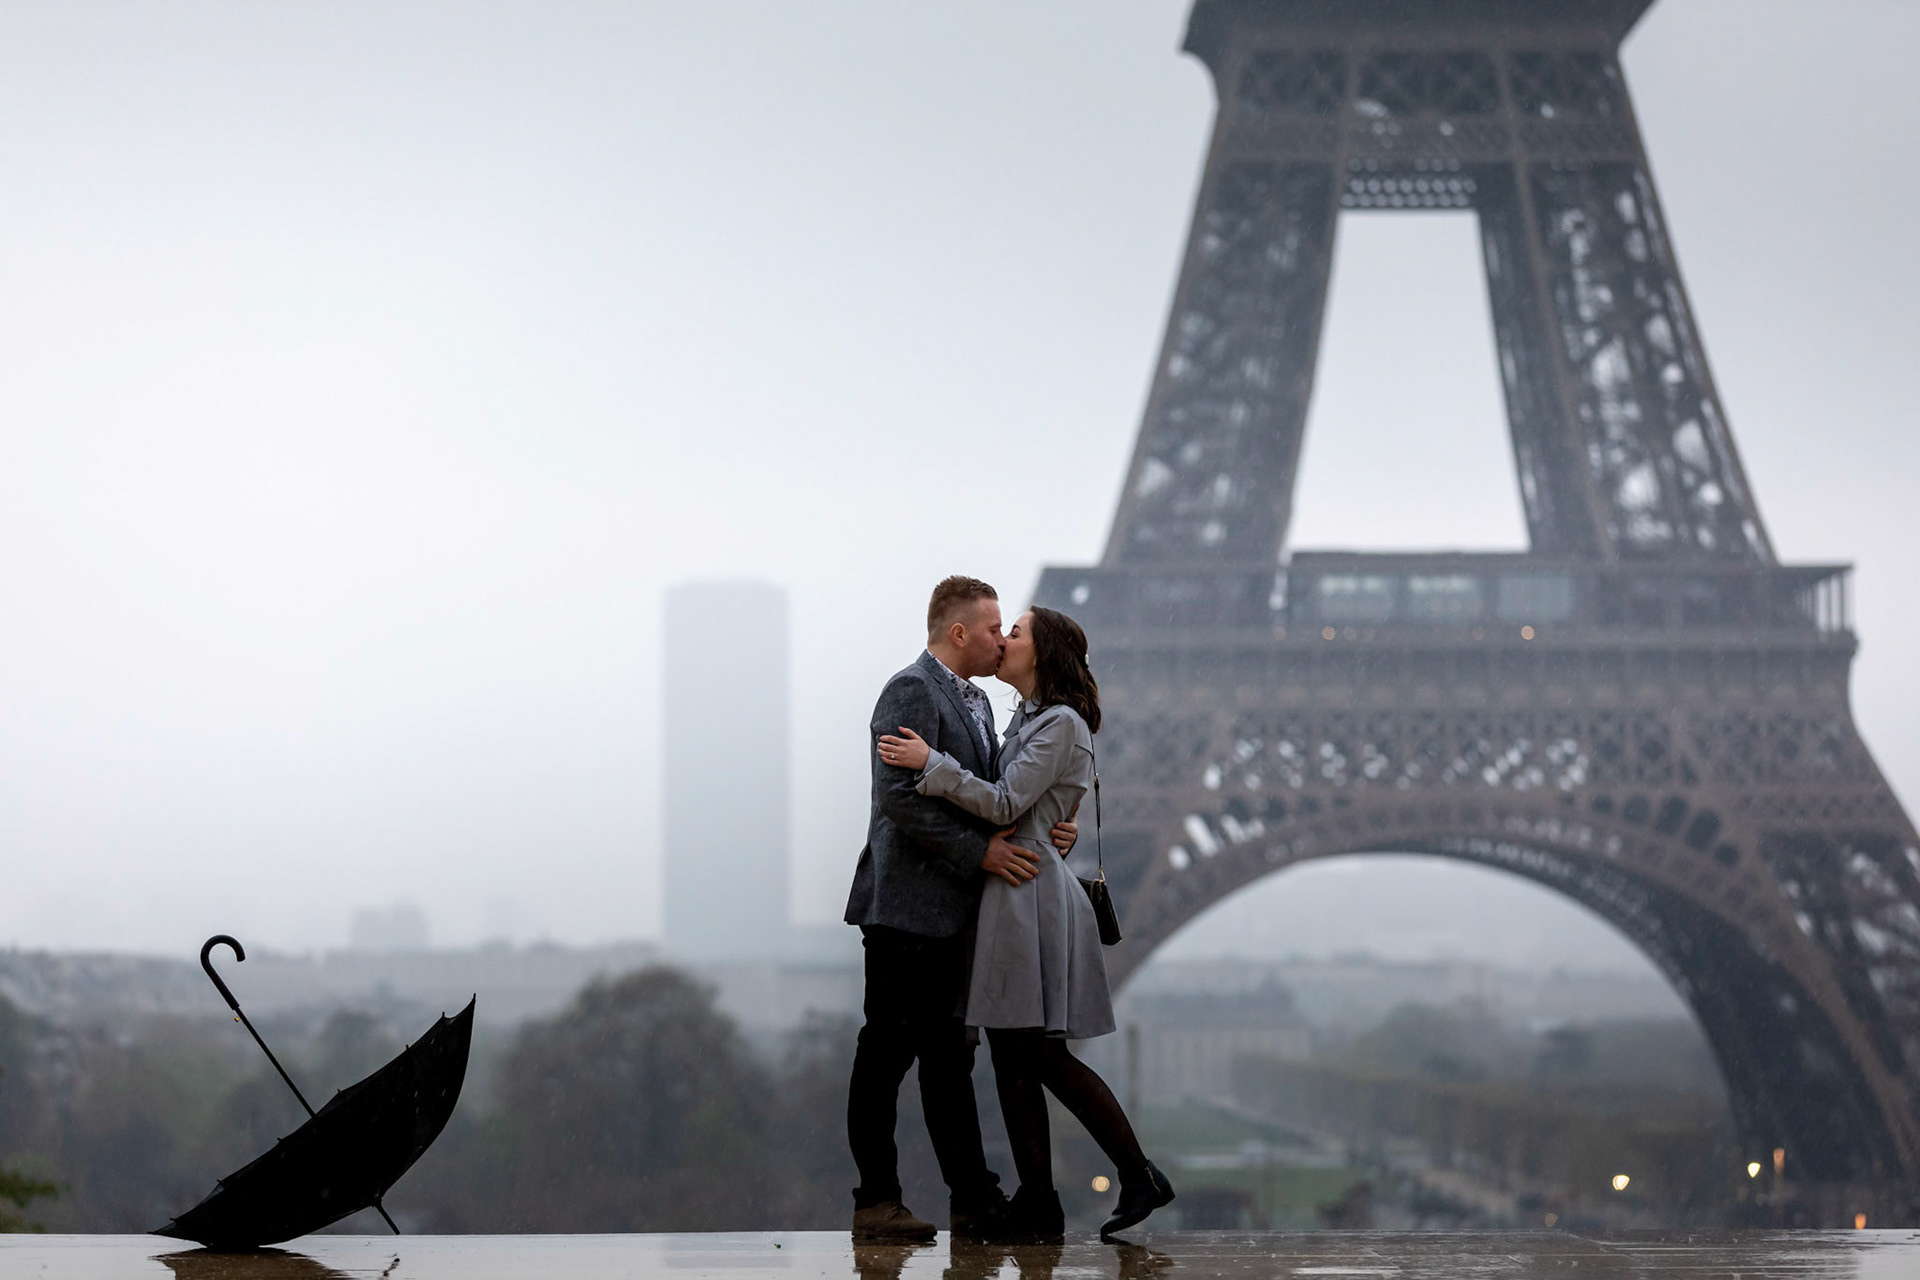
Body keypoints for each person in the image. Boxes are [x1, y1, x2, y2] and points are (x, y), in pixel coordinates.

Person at [878, 606, 1175, 1241]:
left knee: (1039, 1053)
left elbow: (1009, 800)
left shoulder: (1061, 722)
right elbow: (1026, 801)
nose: (1005, 639)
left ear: (1042, 654)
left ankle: (1135, 1175)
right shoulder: (1029, 717)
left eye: (1016, 632)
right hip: (1015, 893)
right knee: (1017, 1057)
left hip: (1028, 896)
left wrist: (931, 763)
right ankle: (1041, 1202)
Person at [843, 576, 1080, 1243]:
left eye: (1010, 629)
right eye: (993, 628)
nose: (1002, 638)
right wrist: (980, 855)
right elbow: (898, 799)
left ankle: (973, 1198)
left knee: (948, 1061)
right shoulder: (912, 690)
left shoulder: (978, 704)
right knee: (887, 1054)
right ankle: (877, 1202)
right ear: (958, 633)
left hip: (954, 915)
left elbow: (999, 791)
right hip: (907, 910)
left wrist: (1056, 822)